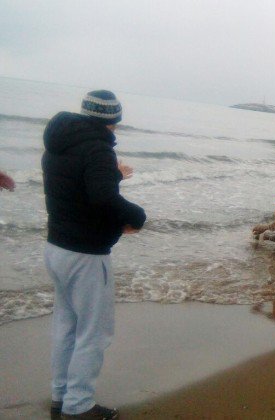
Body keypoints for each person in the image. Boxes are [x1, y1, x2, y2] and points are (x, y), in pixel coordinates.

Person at [42, 90, 146, 420]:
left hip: (57, 247)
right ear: (113, 121)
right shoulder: (97, 148)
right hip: (86, 255)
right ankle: (79, 406)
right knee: (94, 333)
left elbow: (78, 188)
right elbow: (101, 197)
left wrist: (113, 173)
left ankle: (61, 395)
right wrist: (136, 216)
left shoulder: (58, 143)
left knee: (66, 326)